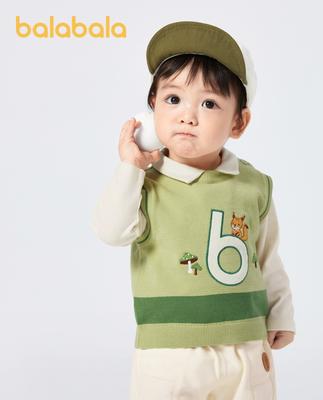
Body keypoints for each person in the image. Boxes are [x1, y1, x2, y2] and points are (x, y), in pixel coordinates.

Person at [92, 20, 295, 400]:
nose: (188, 115)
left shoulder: (253, 185)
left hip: (245, 346)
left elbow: (267, 256)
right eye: (173, 100)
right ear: (152, 109)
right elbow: (111, 230)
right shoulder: (143, 183)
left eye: (209, 103)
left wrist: (280, 312)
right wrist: (130, 167)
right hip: (168, 354)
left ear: (239, 122)